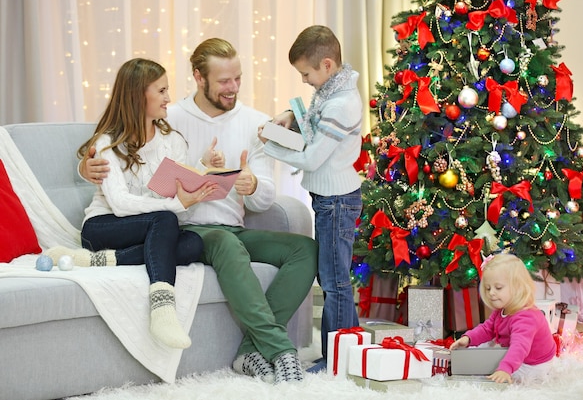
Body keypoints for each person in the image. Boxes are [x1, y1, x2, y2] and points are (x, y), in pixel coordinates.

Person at [81, 39, 318, 384]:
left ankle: (250, 350)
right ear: (199, 77)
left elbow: (263, 199)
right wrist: (86, 169)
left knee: (304, 249)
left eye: (238, 78)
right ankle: (281, 350)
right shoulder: (170, 117)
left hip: (231, 227)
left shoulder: (255, 123)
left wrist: (252, 186)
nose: (233, 88)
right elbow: (123, 157)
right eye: (224, 81)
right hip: (193, 228)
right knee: (224, 242)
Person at [46, 58, 218, 350]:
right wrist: (176, 205)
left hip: (148, 228)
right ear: (139, 96)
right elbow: (122, 205)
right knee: (166, 220)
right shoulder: (107, 143)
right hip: (102, 227)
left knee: (192, 244)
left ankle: (100, 261)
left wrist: (201, 173)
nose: (168, 98)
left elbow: (179, 199)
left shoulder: (172, 141)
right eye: (161, 91)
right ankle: (163, 306)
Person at [259, 25, 363, 372]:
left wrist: (271, 143)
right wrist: (291, 116)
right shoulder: (330, 94)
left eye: (306, 73)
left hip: (336, 199)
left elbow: (312, 156)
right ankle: (345, 350)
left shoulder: (342, 103)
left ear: (327, 65)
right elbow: (314, 129)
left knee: (334, 282)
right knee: (334, 278)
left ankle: (338, 358)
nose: (305, 80)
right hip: (330, 197)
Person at [449, 253, 557, 384]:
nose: (491, 293)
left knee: (503, 375)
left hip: (535, 364)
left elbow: (519, 347)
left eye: (498, 288)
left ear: (517, 287)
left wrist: (506, 369)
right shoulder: (502, 309)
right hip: (518, 354)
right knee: (484, 352)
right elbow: (487, 328)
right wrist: (468, 338)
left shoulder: (526, 317)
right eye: (488, 288)